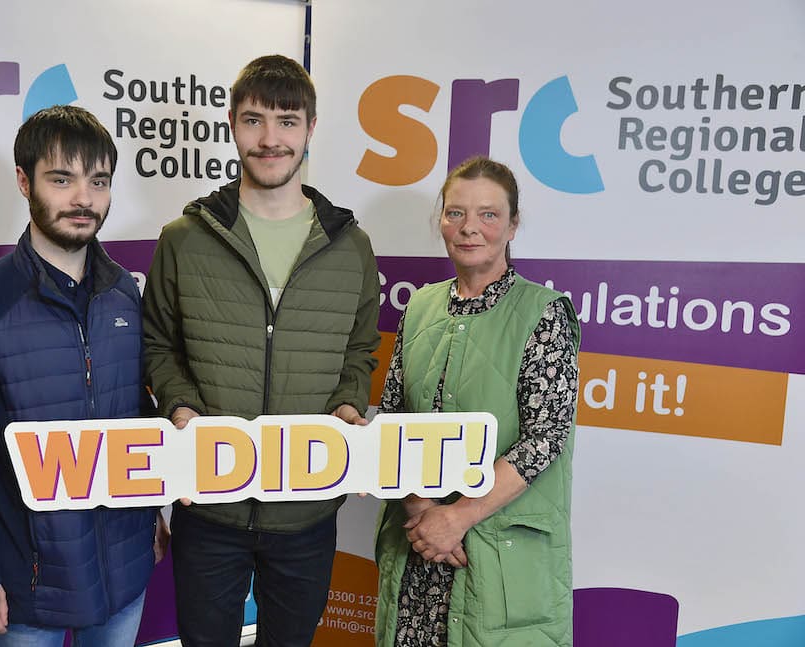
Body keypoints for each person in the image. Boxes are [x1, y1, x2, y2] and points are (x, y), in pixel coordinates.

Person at [143, 54, 381, 646]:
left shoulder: (350, 246)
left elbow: (359, 349)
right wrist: (181, 409)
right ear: (231, 124)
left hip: (306, 509)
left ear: (310, 128)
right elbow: (158, 343)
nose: (270, 138)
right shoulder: (185, 239)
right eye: (254, 120)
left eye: (287, 120)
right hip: (209, 509)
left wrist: (348, 407)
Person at [0, 105, 166, 646]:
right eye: (63, 179)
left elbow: (137, 417)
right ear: (23, 181)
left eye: (98, 181)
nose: (84, 198)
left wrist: (153, 515)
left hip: (123, 576)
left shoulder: (125, 291)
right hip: (27, 587)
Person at [374, 157, 580, 647]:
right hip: (418, 543)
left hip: (494, 548)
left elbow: (545, 438)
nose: (469, 228)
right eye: (455, 213)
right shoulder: (419, 307)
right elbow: (392, 419)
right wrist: (424, 514)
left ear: (512, 225)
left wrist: (457, 518)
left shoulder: (543, 313)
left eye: (488, 215)